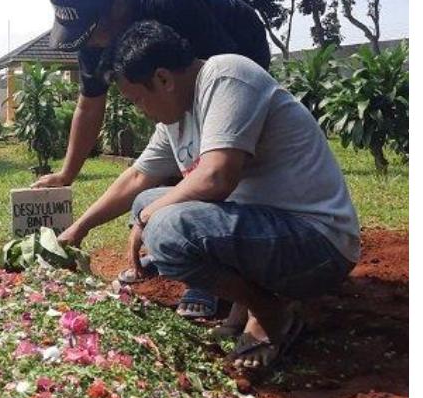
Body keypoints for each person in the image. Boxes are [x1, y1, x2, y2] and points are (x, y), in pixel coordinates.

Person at [58, 21, 359, 370]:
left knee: (165, 228)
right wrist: (79, 229)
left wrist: (148, 219)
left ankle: (270, 311)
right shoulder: (175, 118)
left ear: (163, 79)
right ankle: (244, 306)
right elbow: (138, 177)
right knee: (147, 202)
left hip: (317, 243)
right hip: (270, 232)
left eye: (137, 98)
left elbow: (216, 176)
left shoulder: (227, 76)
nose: (140, 109)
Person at [35, 0, 272, 319]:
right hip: (186, 79)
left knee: (206, 160)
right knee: (168, 160)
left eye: (95, 33)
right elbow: (89, 105)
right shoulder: (93, 31)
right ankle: (178, 249)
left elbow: (223, 76)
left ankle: (213, 271)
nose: (93, 44)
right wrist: (67, 176)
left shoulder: (171, 1)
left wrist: (155, 214)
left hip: (237, 47)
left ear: (117, 5)